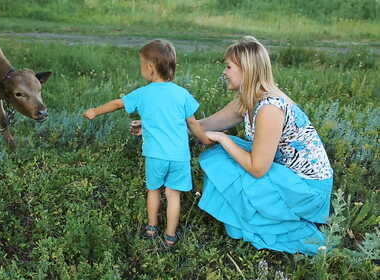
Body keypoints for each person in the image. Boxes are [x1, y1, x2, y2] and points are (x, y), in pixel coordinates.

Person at [132, 36, 333, 255]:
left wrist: (223, 138)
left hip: (306, 190)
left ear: (246, 70)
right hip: (282, 173)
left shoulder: (269, 108)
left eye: (229, 67)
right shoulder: (248, 98)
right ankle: (256, 211)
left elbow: (257, 168)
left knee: (223, 155)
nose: (224, 72)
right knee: (220, 156)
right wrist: (157, 126)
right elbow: (203, 125)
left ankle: (290, 221)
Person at [83, 39, 211, 247]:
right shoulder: (182, 94)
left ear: (150, 67)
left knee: (153, 190)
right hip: (179, 157)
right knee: (173, 194)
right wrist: (205, 140)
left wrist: (95, 111)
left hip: (155, 156)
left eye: (142, 65)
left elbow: (117, 103)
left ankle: (151, 229)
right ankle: (170, 236)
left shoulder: (143, 94)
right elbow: (193, 124)